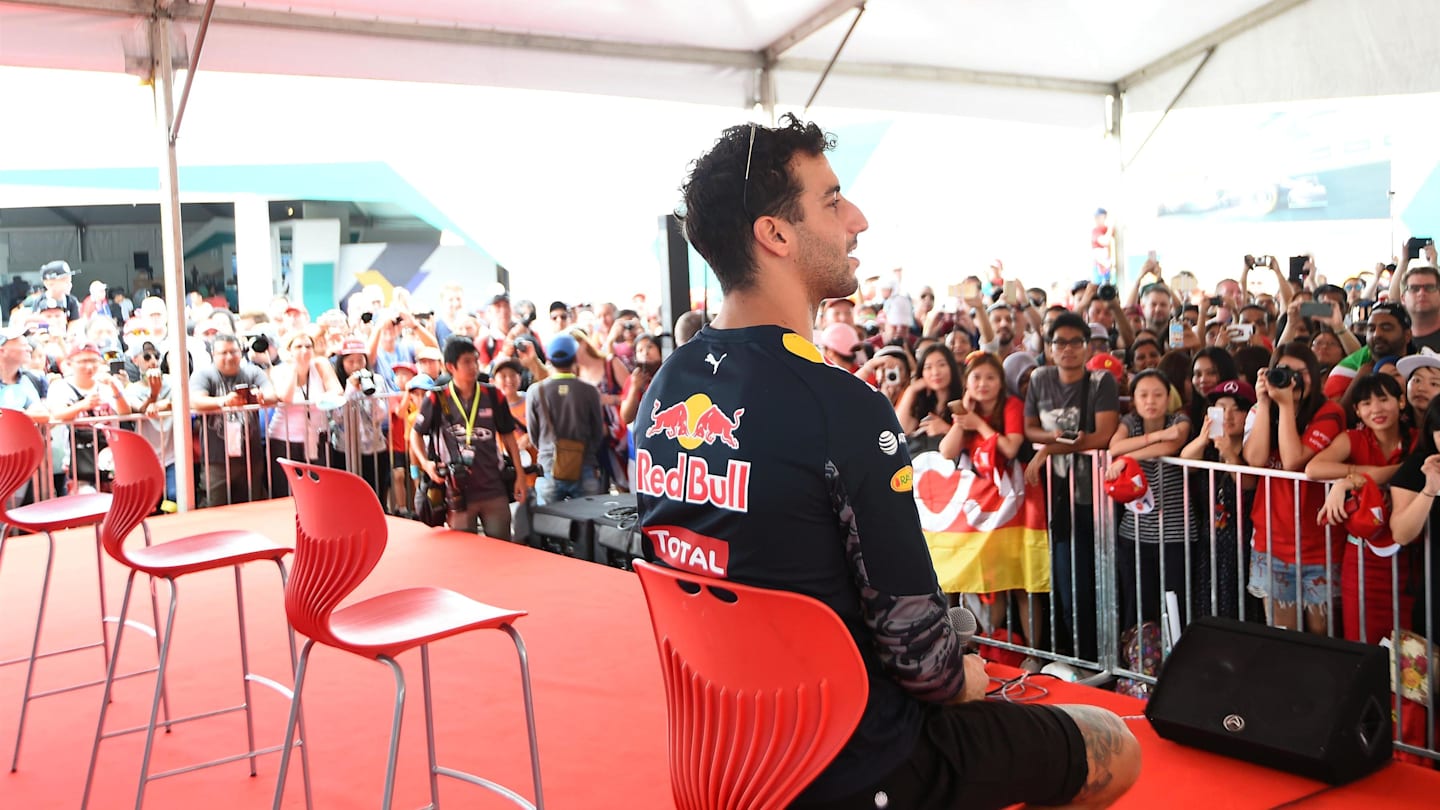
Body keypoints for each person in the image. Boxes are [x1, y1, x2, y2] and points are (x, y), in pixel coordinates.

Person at [639, 115, 1137, 809]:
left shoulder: (667, 385)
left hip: (727, 760)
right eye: (834, 200)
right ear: (775, 234)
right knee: (1113, 743)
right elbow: (926, 667)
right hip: (854, 760)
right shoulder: (838, 407)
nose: (859, 219)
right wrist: (969, 674)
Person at [1025, 312, 1121, 662]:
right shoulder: (1040, 378)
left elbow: (1103, 436)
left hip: (1092, 497)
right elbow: (1030, 429)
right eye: (1060, 343)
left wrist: (1050, 448)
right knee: (1063, 580)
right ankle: (1072, 655)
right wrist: (1053, 442)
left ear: (1086, 346)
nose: (1068, 349)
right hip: (1054, 497)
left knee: (1092, 580)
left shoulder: (1101, 382)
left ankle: (1099, 656)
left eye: (1075, 342)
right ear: (1049, 348)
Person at [1305, 373, 1416, 645]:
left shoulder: (1417, 439)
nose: (1375, 409)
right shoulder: (1353, 439)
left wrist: (1352, 481)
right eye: (1365, 403)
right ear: (1356, 411)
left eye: (1383, 399)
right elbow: (1313, 469)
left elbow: (1418, 470)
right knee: (1361, 638)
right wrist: (1355, 477)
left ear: (1401, 402)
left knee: (1409, 647)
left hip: (1409, 558)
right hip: (1362, 558)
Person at [1244, 344, 1345, 634]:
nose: (1294, 380)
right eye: (1285, 372)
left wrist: (1286, 406)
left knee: (1322, 637)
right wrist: (1264, 403)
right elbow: (1254, 459)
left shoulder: (1330, 412)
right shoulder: (1262, 409)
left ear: (1315, 375)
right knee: (1282, 637)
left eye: (1302, 373)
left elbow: (1292, 461)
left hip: (1320, 547)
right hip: (1271, 544)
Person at [409, 336, 527, 537]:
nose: (473, 366)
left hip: (493, 487)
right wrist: (425, 463)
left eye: (475, 360)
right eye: (466, 362)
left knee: (503, 550)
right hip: (457, 493)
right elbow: (415, 434)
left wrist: (520, 475)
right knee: (465, 555)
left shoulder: (493, 395)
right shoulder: (437, 398)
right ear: (450, 367)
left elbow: (508, 437)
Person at [190, 333, 276, 507]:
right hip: (217, 458)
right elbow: (195, 400)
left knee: (254, 505)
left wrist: (260, 397)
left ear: (241, 352)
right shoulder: (204, 374)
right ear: (213, 354)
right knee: (215, 505)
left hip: (250, 455)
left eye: (233, 351)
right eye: (223, 352)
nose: (229, 356)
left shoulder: (252, 371)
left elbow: (272, 394)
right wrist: (222, 401)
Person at [525, 333, 606, 504]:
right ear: (575, 357)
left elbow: (533, 435)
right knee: (588, 524)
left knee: (551, 525)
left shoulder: (535, 391)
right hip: (584, 464)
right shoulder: (590, 391)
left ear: (549, 358)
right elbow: (597, 432)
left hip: (549, 466)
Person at [267, 329, 342, 496]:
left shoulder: (321, 364)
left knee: (316, 489)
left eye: (308, 346)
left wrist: (322, 398)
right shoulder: (280, 370)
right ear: (289, 350)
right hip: (284, 438)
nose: (304, 351)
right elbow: (285, 397)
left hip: (315, 437)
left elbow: (337, 390)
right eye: (298, 346)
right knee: (286, 490)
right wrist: (294, 368)